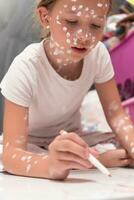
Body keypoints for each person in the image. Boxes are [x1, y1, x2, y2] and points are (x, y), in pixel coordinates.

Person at [0, 0, 134, 180]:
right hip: (31, 143)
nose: (84, 36)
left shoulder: (98, 54)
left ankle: (87, 159)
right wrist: (51, 166)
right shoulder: (26, 67)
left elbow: (117, 116)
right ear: (45, 17)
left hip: (76, 139)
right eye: (71, 22)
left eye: (96, 25)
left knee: (123, 149)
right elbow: (11, 154)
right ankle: (89, 160)